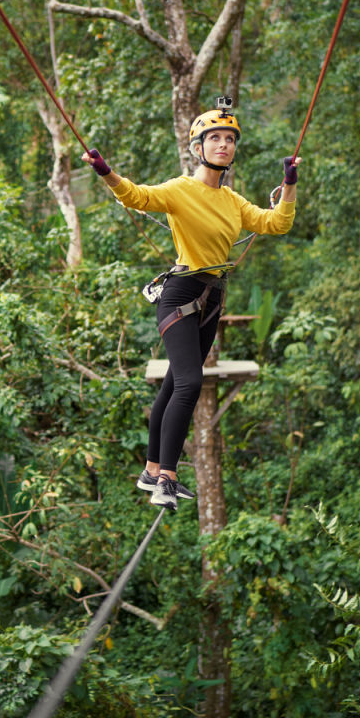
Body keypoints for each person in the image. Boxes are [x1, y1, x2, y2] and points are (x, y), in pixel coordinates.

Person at [82, 103, 299, 511]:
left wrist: (289, 185)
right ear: (198, 147)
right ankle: (167, 476)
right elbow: (137, 196)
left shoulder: (233, 201)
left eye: (229, 139)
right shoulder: (181, 189)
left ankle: (151, 470)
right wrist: (105, 171)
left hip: (212, 298)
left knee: (174, 384)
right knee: (189, 384)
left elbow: (277, 224)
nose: (223, 144)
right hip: (181, 294)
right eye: (215, 138)